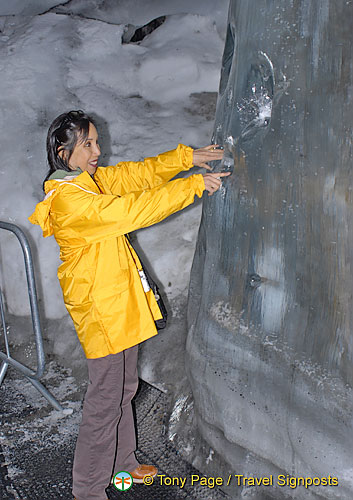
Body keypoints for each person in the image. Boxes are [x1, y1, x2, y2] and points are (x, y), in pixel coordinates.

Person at [29, 110, 228, 500]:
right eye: (87, 144)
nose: (97, 151)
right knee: (105, 399)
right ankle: (87, 488)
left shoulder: (90, 182)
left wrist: (186, 160)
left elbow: (134, 176)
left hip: (118, 303)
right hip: (101, 313)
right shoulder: (70, 201)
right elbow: (130, 211)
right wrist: (191, 187)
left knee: (124, 386)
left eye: (96, 142)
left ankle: (122, 463)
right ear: (61, 150)